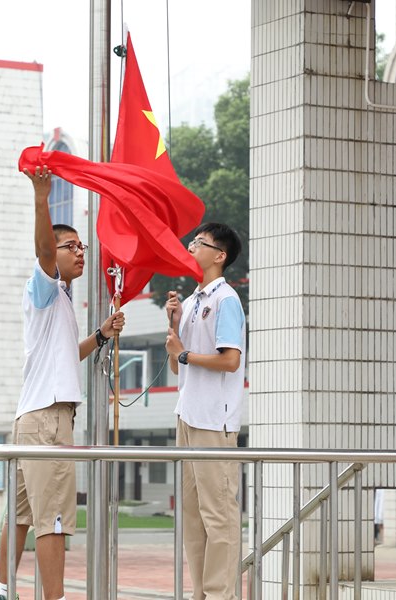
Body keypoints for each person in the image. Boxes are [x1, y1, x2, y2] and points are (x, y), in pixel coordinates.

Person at [0, 165, 125, 600]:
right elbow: (44, 249)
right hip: (49, 419)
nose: (80, 253)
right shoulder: (45, 284)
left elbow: (69, 353)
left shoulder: (62, 299)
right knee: (52, 518)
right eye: (73, 247)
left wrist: (102, 334)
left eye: (82, 246)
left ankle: (2, 591)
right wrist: (41, 198)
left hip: (31, 418)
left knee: (21, 515)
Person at [165, 222, 245, 600]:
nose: (191, 247)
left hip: (214, 420)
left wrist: (183, 353)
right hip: (188, 415)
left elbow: (229, 361)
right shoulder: (194, 300)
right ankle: (200, 592)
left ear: (219, 256)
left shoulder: (226, 300)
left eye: (199, 243)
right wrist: (174, 327)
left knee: (219, 516)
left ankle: (219, 594)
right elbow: (178, 366)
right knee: (193, 516)